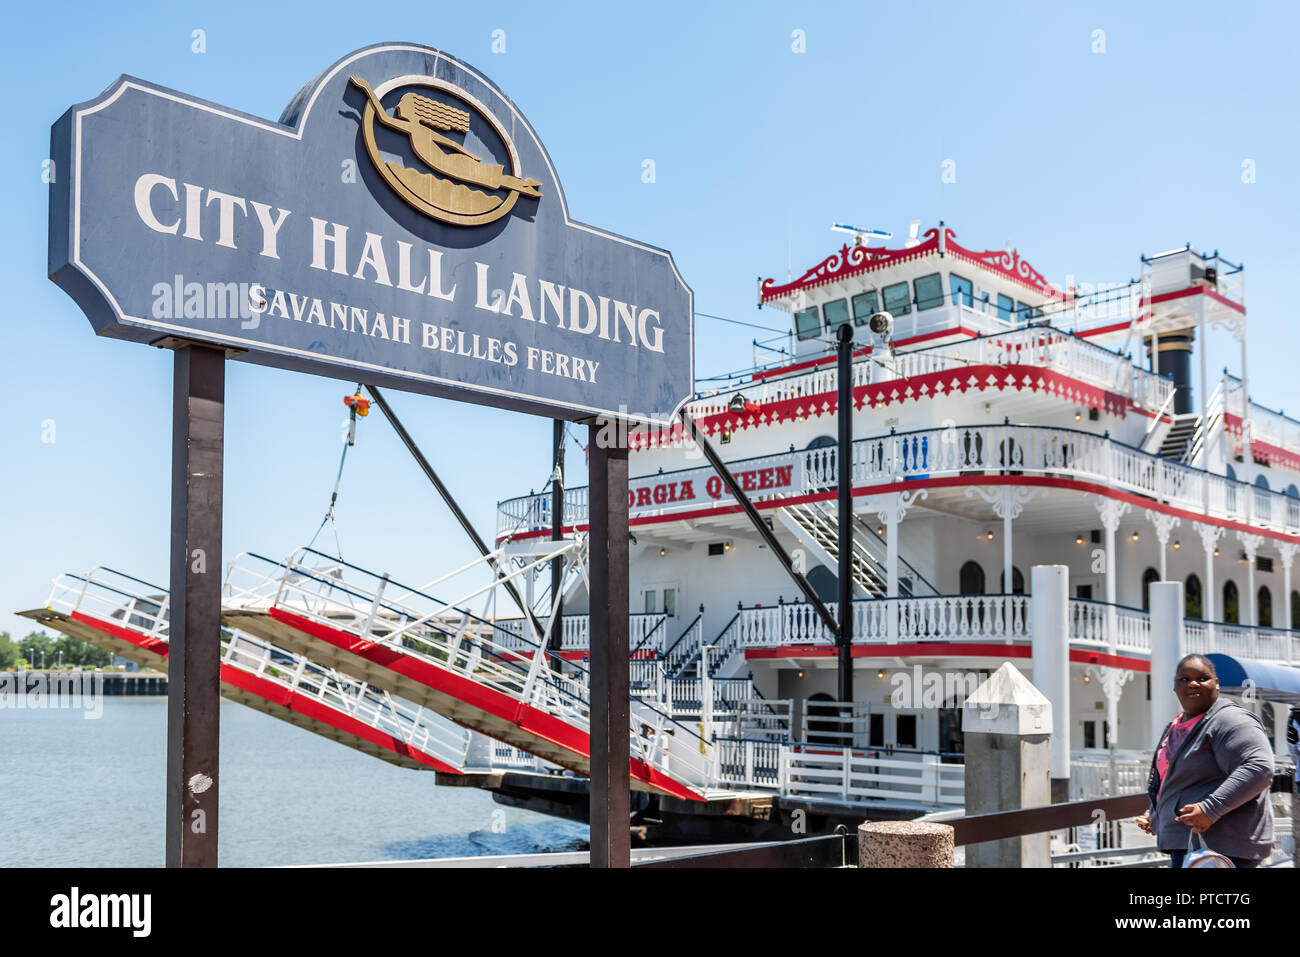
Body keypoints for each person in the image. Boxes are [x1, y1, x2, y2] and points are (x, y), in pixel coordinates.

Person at [1135, 654, 1274, 867]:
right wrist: (1157, 812)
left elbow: (1259, 768)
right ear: (1174, 687)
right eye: (1184, 679)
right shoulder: (1176, 725)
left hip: (1221, 850)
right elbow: (1180, 779)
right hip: (1189, 846)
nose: (1192, 683)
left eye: (1202, 678)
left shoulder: (1230, 720)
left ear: (1216, 684)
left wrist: (1210, 809)